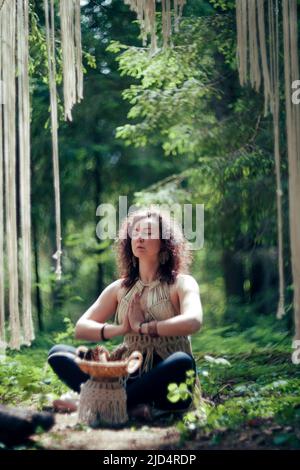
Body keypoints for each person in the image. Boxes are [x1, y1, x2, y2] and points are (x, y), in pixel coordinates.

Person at [48, 207, 203, 421]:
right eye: (135, 231)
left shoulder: (181, 283)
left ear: (165, 244)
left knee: (182, 362)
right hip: (129, 377)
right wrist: (121, 329)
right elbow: (81, 327)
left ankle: (97, 403)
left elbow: (194, 321)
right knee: (58, 353)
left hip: (167, 382)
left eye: (148, 233)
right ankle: (130, 407)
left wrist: (145, 327)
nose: (139, 236)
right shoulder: (119, 288)